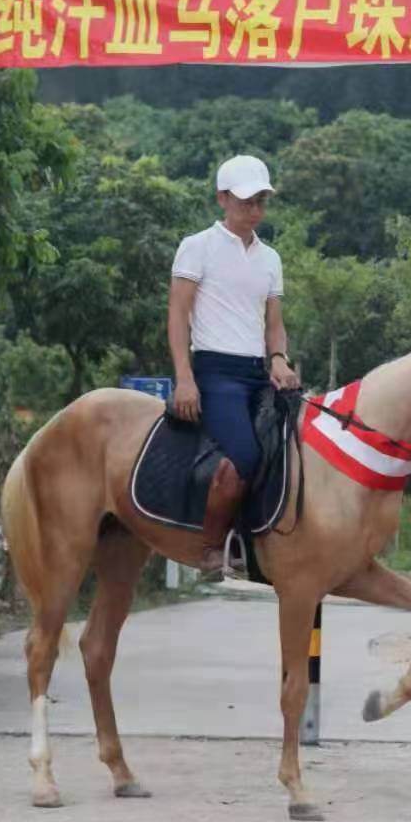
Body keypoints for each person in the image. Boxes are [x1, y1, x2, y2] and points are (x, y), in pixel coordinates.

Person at [167, 155, 300, 578]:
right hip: (214, 371)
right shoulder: (197, 246)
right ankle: (210, 547)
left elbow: (275, 326)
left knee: (297, 442)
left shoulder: (270, 258)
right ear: (222, 198)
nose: (255, 211)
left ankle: (268, 539)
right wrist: (184, 379)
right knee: (244, 453)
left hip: (257, 372)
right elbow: (176, 315)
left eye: (261, 201)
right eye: (246, 202)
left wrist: (278, 359)